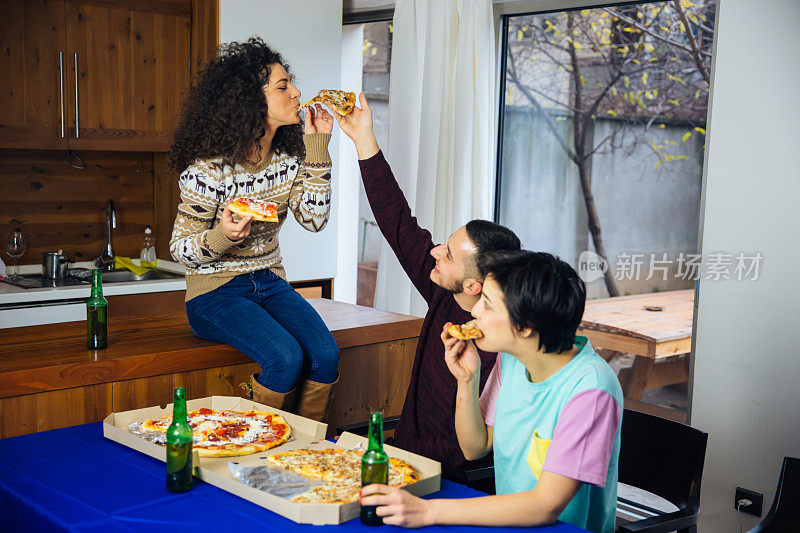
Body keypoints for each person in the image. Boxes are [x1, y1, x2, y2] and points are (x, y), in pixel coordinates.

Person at [360, 250, 623, 533]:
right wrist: (467, 380)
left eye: (487, 304)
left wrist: (427, 511)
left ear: (523, 327)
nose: (474, 311)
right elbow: (475, 448)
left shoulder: (591, 389)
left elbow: (545, 505)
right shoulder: (511, 358)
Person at [333, 94, 521, 474]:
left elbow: (466, 451)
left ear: (473, 286)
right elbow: (398, 222)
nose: (435, 251)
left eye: (448, 253)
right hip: (404, 456)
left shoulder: (502, 350)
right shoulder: (445, 289)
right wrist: (364, 139)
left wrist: (396, 456)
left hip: (443, 479)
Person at [168, 38, 339, 421]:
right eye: (282, 87)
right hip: (214, 293)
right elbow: (180, 248)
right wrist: (222, 236)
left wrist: (317, 148)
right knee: (285, 357)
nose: (296, 92)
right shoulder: (208, 171)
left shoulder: (288, 159)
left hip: (269, 282)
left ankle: (305, 449)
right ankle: (258, 446)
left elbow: (313, 220)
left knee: (326, 355)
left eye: (291, 83)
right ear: (249, 100)